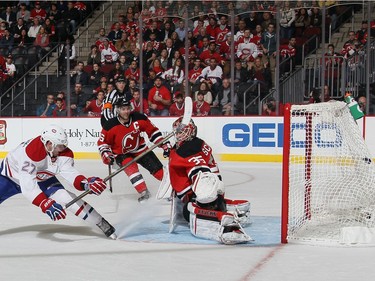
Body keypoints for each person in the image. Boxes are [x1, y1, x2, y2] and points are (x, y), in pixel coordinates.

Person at [0, 124, 116, 239]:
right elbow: (29, 187)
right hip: (10, 177)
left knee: (66, 198)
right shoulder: (31, 153)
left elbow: (71, 174)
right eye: (60, 146)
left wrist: (85, 184)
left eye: (64, 146)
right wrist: (44, 203)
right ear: (49, 144)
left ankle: (101, 223)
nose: (62, 149)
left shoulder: (64, 153)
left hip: (43, 178)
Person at [167, 117, 251, 244]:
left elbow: (202, 176)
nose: (177, 135)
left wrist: (201, 197)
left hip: (205, 198)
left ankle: (224, 222)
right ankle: (235, 210)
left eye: (180, 132)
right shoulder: (198, 143)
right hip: (216, 193)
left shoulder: (187, 150)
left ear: (189, 131)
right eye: (176, 132)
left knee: (188, 211)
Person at [97, 98, 171, 202]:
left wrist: (163, 144)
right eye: (123, 109)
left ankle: (172, 190)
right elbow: (102, 142)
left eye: (127, 108)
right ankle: (144, 192)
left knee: (159, 170)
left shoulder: (139, 118)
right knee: (132, 169)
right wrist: (106, 154)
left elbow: (153, 132)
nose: (126, 111)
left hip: (140, 149)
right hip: (121, 154)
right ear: (118, 110)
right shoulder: (110, 125)